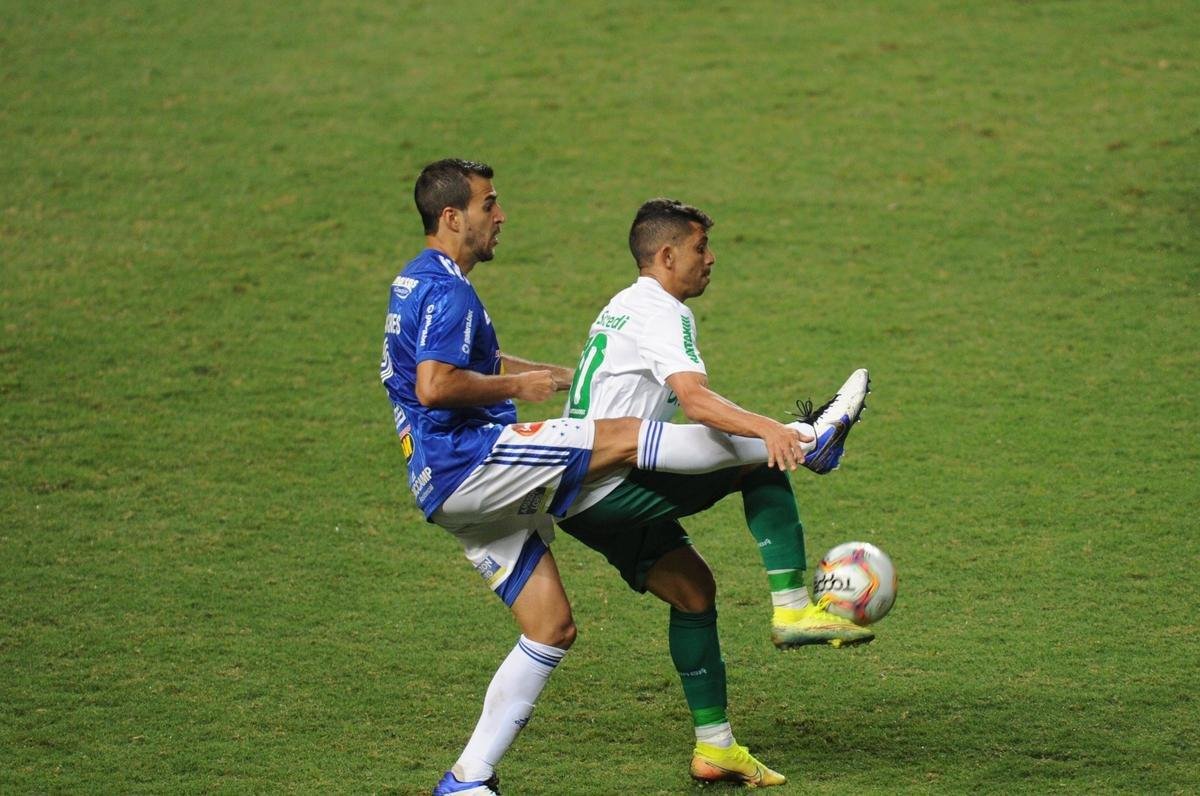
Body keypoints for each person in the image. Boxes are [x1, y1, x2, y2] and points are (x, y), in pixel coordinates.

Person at [380, 160, 842, 795]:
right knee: (625, 437)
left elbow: (441, 365)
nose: (501, 215)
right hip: (470, 461)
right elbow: (436, 386)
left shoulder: (415, 282)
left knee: (552, 627)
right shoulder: (449, 290)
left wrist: (526, 369)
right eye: (490, 204)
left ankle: (468, 779)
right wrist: (519, 384)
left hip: (445, 489)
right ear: (453, 217)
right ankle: (809, 446)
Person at [556, 198, 872, 787]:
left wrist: (759, 427)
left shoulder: (625, 306)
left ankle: (715, 748)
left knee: (694, 591)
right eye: (701, 248)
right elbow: (697, 402)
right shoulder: (662, 311)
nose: (711, 259)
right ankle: (793, 604)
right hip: (612, 481)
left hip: (579, 497)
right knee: (758, 459)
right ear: (667, 254)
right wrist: (769, 430)